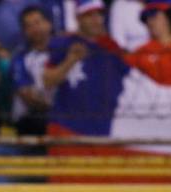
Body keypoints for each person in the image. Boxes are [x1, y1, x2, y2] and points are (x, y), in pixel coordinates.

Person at [43, 0, 129, 136]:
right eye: (90, 15)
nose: (96, 20)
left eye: (99, 14)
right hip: (67, 127)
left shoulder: (111, 47)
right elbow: (47, 81)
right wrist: (70, 60)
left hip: (104, 129)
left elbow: (130, 77)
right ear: (78, 18)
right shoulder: (64, 43)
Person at [10, 5, 55, 136]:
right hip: (31, 118)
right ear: (24, 31)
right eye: (28, 26)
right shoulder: (20, 57)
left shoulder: (63, 52)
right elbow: (27, 96)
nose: (35, 29)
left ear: (48, 24)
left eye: (37, 22)